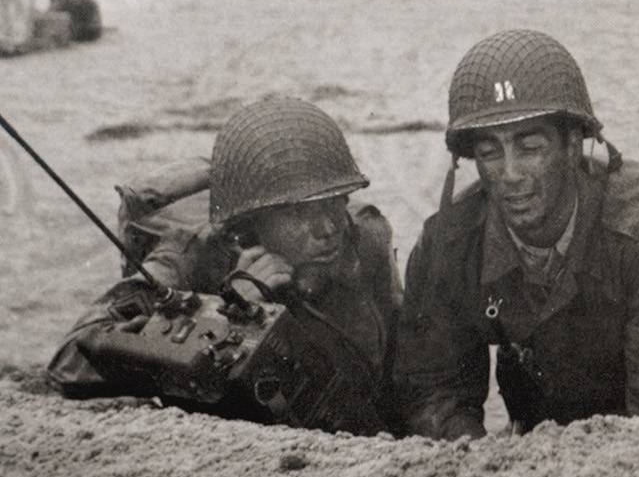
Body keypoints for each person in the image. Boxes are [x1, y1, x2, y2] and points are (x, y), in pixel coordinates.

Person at [394, 29, 639, 440]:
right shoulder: (450, 245)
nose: (509, 175)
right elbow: (433, 391)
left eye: (530, 148)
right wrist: (474, 461)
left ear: (573, 144)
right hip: (546, 452)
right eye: (490, 153)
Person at [48, 96, 402, 434]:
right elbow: (70, 360)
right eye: (297, 212)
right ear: (249, 224)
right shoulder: (191, 255)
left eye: (334, 202)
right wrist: (220, 316)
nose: (327, 229)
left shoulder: (365, 237)